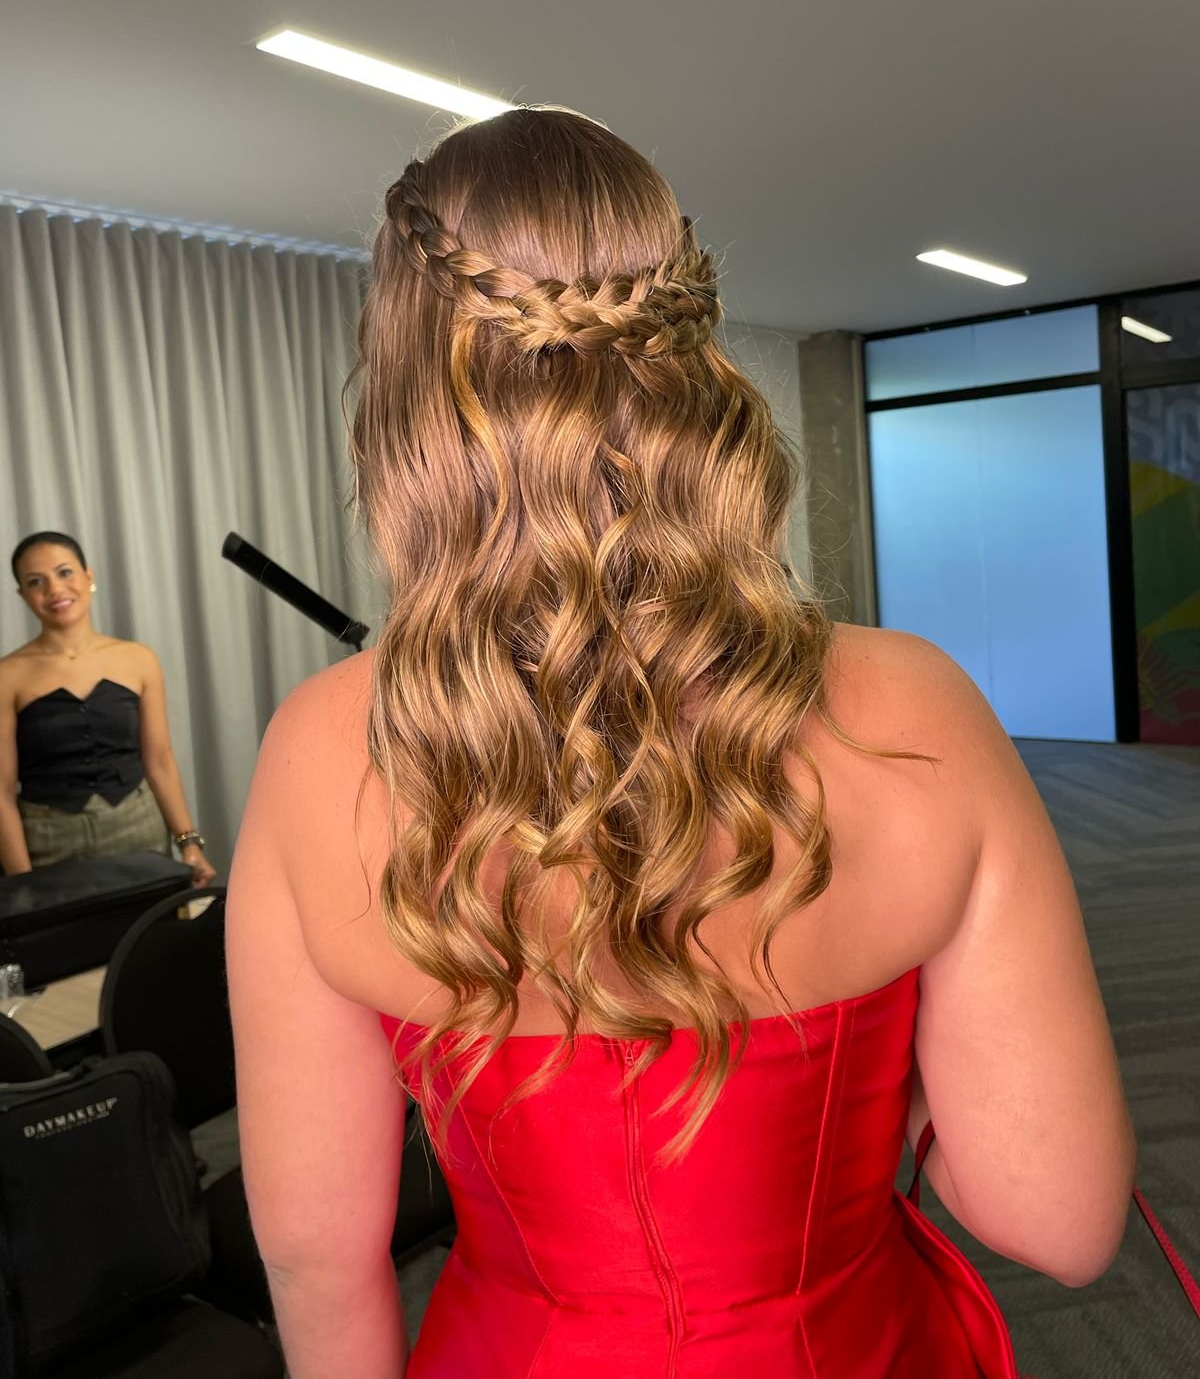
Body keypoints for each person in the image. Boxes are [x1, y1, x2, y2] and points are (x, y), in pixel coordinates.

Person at [227, 109, 1134, 1379]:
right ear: (694, 356)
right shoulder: (918, 712)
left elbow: (319, 1259)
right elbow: (1063, 1224)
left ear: (406, 406)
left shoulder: (318, 753)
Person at [0, 532, 216, 886]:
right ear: (23, 594)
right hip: (48, 840)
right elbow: (2, 790)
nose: (54, 589)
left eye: (64, 572)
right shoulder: (7, 676)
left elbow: (160, 760)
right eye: (36, 582)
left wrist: (189, 844)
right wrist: (21, 884)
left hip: (139, 830)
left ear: (88, 575)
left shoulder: (138, 659)